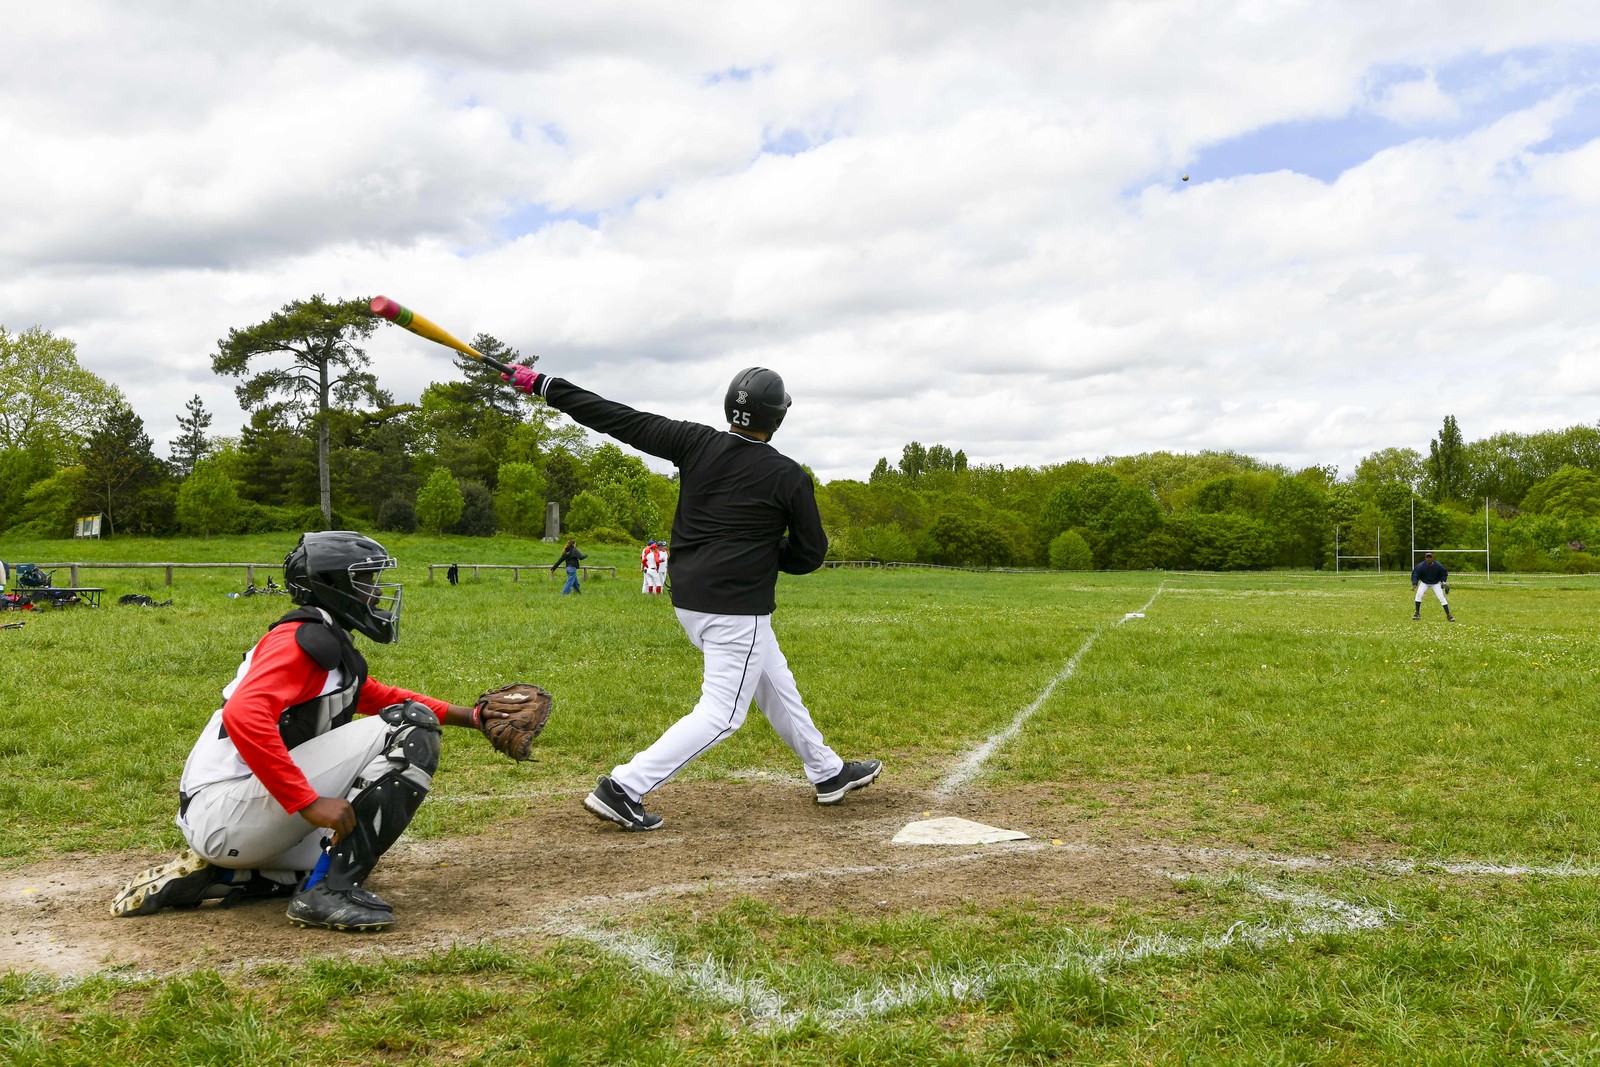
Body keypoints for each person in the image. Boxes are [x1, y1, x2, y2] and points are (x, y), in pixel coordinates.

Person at [503, 362, 882, 829]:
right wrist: (767, 550)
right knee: (722, 715)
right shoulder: (788, 476)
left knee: (773, 681)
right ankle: (623, 787)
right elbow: (809, 555)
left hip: (690, 601)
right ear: (778, 417)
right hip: (736, 610)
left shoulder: (694, 442)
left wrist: (546, 386)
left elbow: (617, 418)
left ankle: (827, 771)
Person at [110, 531, 511, 932]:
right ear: (332, 584)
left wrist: (473, 717)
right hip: (225, 810)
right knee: (411, 726)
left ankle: (228, 875)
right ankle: (327, 893)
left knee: (342, 845)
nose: (376, 592)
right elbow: (244, 714)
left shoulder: (321, 637)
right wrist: (307, 803)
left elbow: (377, 695)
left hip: (232, 815)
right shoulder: (300, 641)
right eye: (365, 581)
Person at [1411, 551, 1454, 621]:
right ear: (1425, 558)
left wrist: (1443, 582)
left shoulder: (1438, 566)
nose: (1428, 559)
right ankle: (1417, 613)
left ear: (1432, 558)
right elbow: (1415, 574)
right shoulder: (1420, 566)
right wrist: (1414, 583)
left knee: (1441, 597)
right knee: (1419, 594)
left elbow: (1443, 574)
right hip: (1424, 582)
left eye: (1430, 557)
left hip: (1435, 583)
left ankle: (1448, 615)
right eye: (1427, 557)